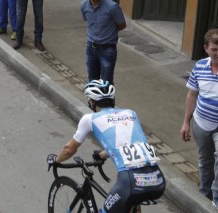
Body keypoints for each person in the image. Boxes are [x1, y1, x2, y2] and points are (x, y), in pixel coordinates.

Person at [50, 81, 166, 212]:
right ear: (113, 99)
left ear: (92, 102)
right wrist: (101, 155)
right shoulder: (130, 113)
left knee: (126, 193)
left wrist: (56, 160)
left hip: (131, 184)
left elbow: (69, 150)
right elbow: (126, 144)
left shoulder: (89, 119)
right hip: (158, 181)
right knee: (131, 201)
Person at [182, 29, 218, 204]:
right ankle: (205, 193)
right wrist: (186, 123)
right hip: (201, 123)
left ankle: (216, 198)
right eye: (215, 49)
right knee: (205, 161)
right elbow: (192, 95)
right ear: (206, 48)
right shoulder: (200, 66)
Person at [80, 0, 126, 84]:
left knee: (107, 83)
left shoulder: (112, 7)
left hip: (107, 49)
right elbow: (88, 21)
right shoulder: (83, 5)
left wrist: (108, 33)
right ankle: (93, 101)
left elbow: (122, 25)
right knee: (92, 81)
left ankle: (108, 102)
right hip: (91, 48)